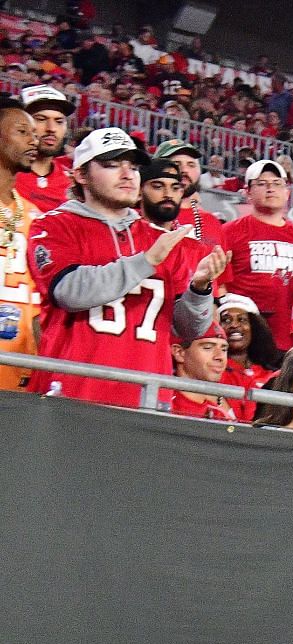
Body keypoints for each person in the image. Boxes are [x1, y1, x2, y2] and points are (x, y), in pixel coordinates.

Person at [27, 128, 224, 407]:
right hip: (72, 393)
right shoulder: (53, 226)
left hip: (147, 398)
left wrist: (199, 289)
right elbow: (69, 292)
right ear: (81, 175)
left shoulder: (162, 241)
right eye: (111, 165)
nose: (127, 174)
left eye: (132, 166)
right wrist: (146, 262)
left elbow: (190, 330)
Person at [222, 159, 293, 347]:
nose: (270, 188)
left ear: (287, 192)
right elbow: (219, 285)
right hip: (246, 340)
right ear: (248, 192)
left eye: (277, 184)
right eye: (262, 183)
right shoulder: (230, 232)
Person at [0, 96, 41, 390]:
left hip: (20, 373)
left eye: (34, 134)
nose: (34, 140)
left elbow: (37, 303)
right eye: (22, 132)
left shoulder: (34, 216)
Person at [150, 140, 224, 253]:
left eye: (191, 165)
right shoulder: (137, 217)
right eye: (177, 164)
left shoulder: (211, 222)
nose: (184, 170)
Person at [217, 293, 278, 420]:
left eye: (242, 319)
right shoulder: (214, 371)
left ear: (254, 327)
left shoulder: (270, 375)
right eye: (226, 320)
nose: (234, 325)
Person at [162, 325, 238, 422]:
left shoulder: (233, 396)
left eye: (224, 349)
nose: (220, 357)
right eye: (208, 347)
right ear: (180, 352)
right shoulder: (163, 402)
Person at [16, 85, 71, 214]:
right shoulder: (4, 173)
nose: (51, 128)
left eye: (59, 121)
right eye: (40, 119)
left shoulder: (72, 183)